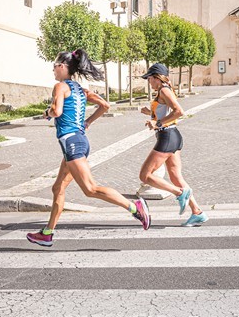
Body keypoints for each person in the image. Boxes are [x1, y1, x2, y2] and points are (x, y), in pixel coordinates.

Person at [26, 49, 151, 247]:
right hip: (78, 142)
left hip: (72, 143)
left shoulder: (60, 86)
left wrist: (47, 112)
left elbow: (57, 111)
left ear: (62, 66)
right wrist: (87, 122)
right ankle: (47, 233)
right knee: (57, 187)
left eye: (54, 66)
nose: (53, 70)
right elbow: (105, 105)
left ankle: (134, 207)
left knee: (90, 189)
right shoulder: (80, 89)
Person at [139, 63, 208, 227]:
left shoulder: (164, 90)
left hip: (167, 137)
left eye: (149, 78)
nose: (148, 81)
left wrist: (158, 123)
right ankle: (197, 212)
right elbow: (166, 111)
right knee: (176, 177)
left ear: (157, 77)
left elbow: (179, 111)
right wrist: (150, 113)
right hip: (172, 136)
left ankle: (179, 193)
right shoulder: (163, 90)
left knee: (145, 175)